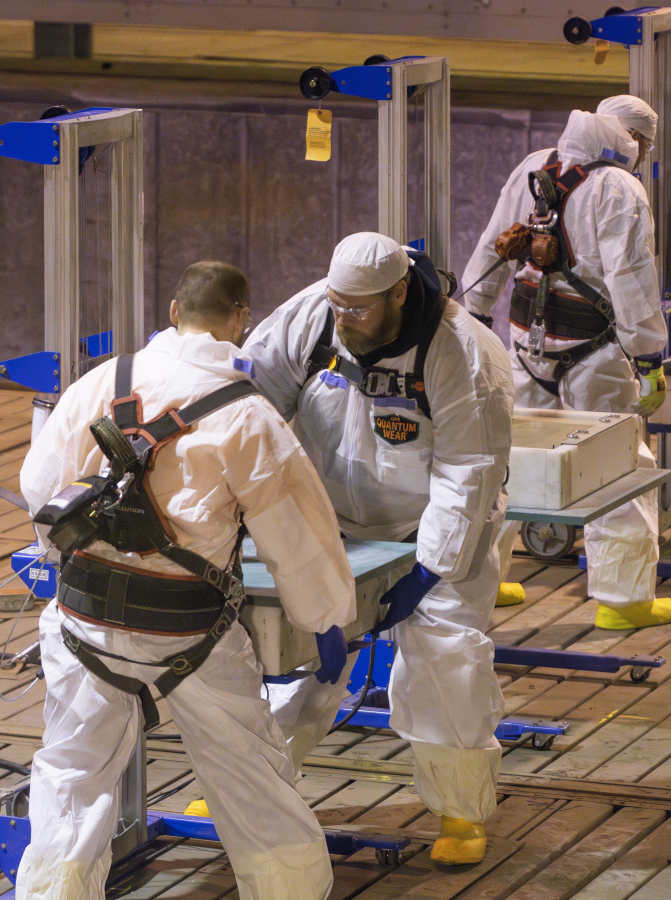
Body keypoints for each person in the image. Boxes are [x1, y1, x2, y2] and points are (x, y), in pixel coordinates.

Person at [17, 261, 357, 900]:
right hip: (190, 635)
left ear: (172, 312)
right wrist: (326, 618)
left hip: (86, 623)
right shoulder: (248, 417)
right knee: (253, 781)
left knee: (71, 780)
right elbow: (300, 539)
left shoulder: (99, 384)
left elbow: (41, 489)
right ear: (240, 320)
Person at [244, 232, 513, 866]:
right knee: (297, 657)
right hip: (329, 519)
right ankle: (255, 783)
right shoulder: (314, 319)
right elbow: (248, 405)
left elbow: (469, 470)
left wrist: (428, 571)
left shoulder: (463, 353)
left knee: (447, 662)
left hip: (436, 528)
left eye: (358, 308)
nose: (344, 318)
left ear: (398, 293)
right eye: (338, 303)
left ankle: (460, 810)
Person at [459, 95, 671, 630]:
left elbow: (493, 245)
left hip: (525, 347)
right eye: (646, 146)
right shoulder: (619, 188)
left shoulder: (535, 167)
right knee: (620, 466)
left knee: (501, 465)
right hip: (594, 354)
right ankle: (623, 600)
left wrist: (473, 315)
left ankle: (482, 585)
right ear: (637, 139)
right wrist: (648, 357)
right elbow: (631, 279)